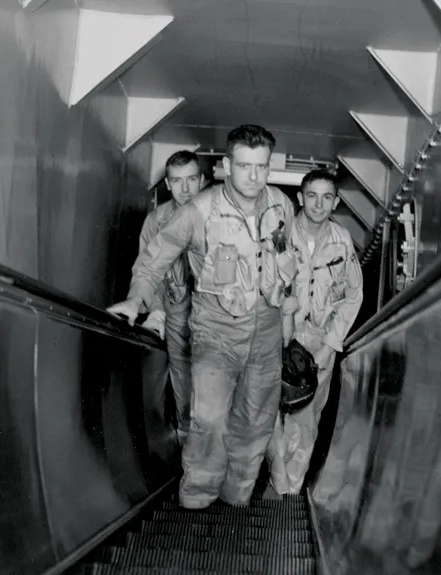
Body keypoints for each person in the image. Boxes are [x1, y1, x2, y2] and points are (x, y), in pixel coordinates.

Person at [107, 125, 297, 509]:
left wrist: (288, 314)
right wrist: (135, 299)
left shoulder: (281, 206)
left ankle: (237, 493)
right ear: (226, 165)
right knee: (209, 419)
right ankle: (198, 493)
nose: (254, 176)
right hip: (216, 332)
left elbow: (285, 259)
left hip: (266, 335)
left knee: (256, 422)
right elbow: (154, 258)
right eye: (244, 166)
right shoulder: (199, 212)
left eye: (262, 167)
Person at [267, 169, 363, 496]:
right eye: (312, 195)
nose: (319, 204)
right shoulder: (280, 236)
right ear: (300, 198)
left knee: (305, 423)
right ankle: (276, 485)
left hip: (320, 344)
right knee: (273, 421)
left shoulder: (342, 241)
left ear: (336, 201)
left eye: (327, 197)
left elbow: (354, 295)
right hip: (280, 339)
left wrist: (330, 346)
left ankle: (288, 493)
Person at [136, 150, 205, 446]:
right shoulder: (156, 221)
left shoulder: (218, 217)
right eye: (177, 181)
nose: (185, 189)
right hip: (176, 309)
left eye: (191, 179)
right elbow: (147, 268)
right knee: (181, 372)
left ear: (202, 181)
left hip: (214, 313)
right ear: (167, 183)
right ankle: (187, 437)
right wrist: (156, 311)